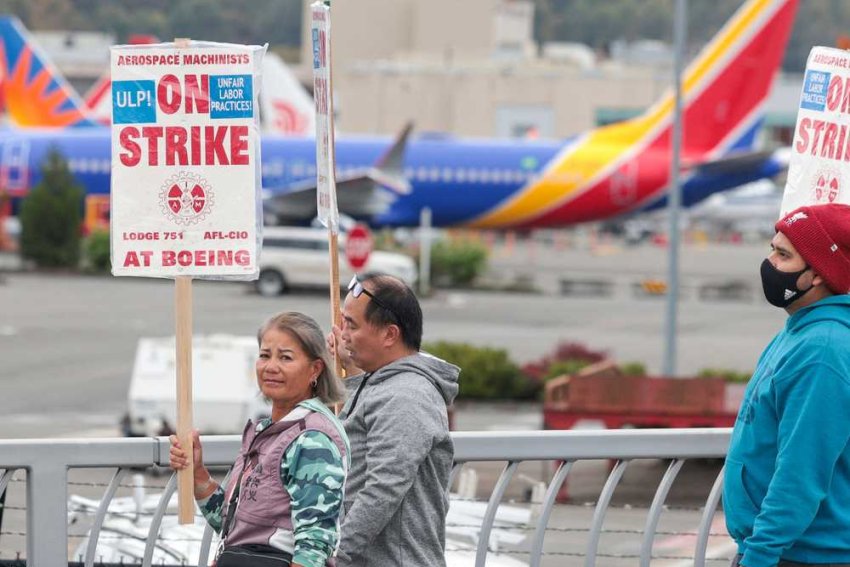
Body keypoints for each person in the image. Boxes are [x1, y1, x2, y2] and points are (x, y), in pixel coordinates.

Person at [170, 312, 350, 567]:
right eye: (265, 355)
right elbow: (232, 524)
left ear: (315, 369)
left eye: (285, 357)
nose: (271, 367)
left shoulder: (312, 438)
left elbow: (313, 547)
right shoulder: (268, 431)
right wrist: (197, 473)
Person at [725, 203, 850, 567]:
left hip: (801, 555)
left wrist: (759, 556)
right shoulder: (800, 331)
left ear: (818, 274)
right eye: (772, 248)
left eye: (783, 255)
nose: (770, 263)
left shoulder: (822, 350)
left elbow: (801, 472)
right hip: (781, 551)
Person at [328, 273, 459, 567]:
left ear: (389, 334)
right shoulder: (384, 384)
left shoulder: (406, 396)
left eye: (351, 324)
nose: (342, 333)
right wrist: (349, 370)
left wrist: (332, 555)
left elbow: (383, 487)